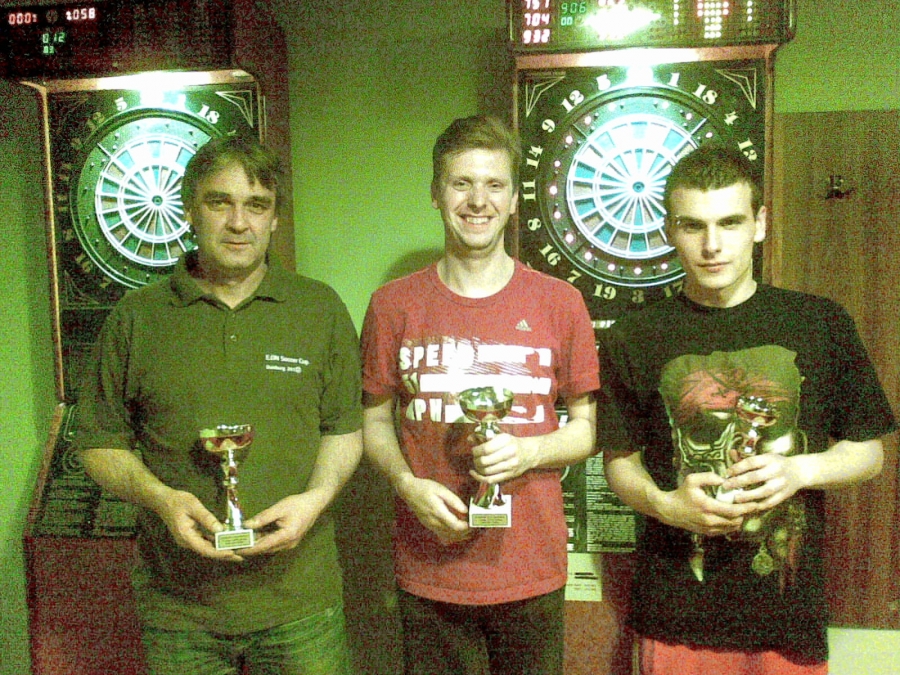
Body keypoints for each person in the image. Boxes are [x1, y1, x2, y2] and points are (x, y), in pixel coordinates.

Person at [598, 144, 897, 674]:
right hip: (674, 616)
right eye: (693, 226)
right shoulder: (634, 336)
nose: (712, 245)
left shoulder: (820, 323)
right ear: (669, 230)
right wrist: (666, 506)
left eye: (730, 222)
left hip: (786, 621)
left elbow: (868, 453)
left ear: (759, 224)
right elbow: (619, 463)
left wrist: (799, 471)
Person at [73, 136, 363, 675]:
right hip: (179, 611)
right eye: (219, 202)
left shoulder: (319, 308)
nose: (238, 223)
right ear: (189, 210)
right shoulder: (136, 317)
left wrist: (317, 498)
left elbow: (343, 429)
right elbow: (98, 443)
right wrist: (162, 499)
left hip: (300, 605)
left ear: (274, 219)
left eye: (257, 205)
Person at [360, 115, 600, 675]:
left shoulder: (560, 303)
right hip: (430, 568)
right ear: (436, 193)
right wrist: (406, 485)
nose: (477, 201)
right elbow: (373, 424)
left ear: (514, 200)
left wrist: (530, 451)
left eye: (494, 185)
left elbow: (587, 430)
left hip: (530, 569)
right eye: (461, 183)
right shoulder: (392, 305)